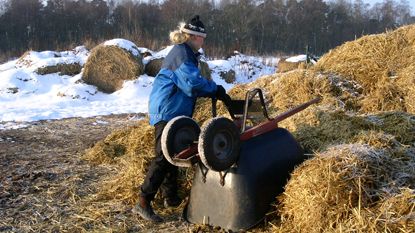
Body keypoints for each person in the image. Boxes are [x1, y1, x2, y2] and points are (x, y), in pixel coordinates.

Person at [133, 15, 232, 222]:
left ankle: (171, 197)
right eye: (202, 38)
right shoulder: (181, 54)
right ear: (194, 37)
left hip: (174, 108)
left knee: (173, 153)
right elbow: (192, 84)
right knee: (162, 156)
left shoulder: (186, 53)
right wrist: (216, 89)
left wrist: (215, 90)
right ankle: (143, 201)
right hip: (167, 108)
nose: (203, 42)